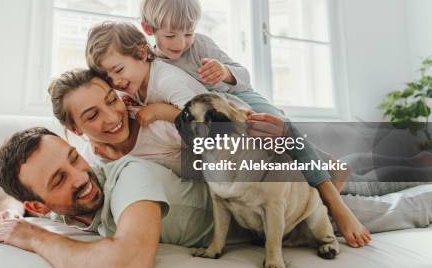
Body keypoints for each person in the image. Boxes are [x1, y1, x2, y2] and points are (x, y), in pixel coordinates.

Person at [0, 125, 432, 268]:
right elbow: (14, 197)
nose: (81, 176)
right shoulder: (57, 208)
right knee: (371, 178)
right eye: (60, 179)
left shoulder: (127, 179)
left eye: (75, 158)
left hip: (282, 196)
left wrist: (31, 235)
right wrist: (12, 210)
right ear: (40, 205)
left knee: (396, 204)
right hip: (264, 205)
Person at [84, 20, 373, 247]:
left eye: (118, 70)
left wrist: (160, 111)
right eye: (109, 78)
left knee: (332, 182)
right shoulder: (141, 86)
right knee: (342, 181)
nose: (117, 82)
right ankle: (357, 170)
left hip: (249, 138)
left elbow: (201, 124)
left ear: (141, 53)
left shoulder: (168, 80)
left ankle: (353, 176)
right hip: (238, 153)